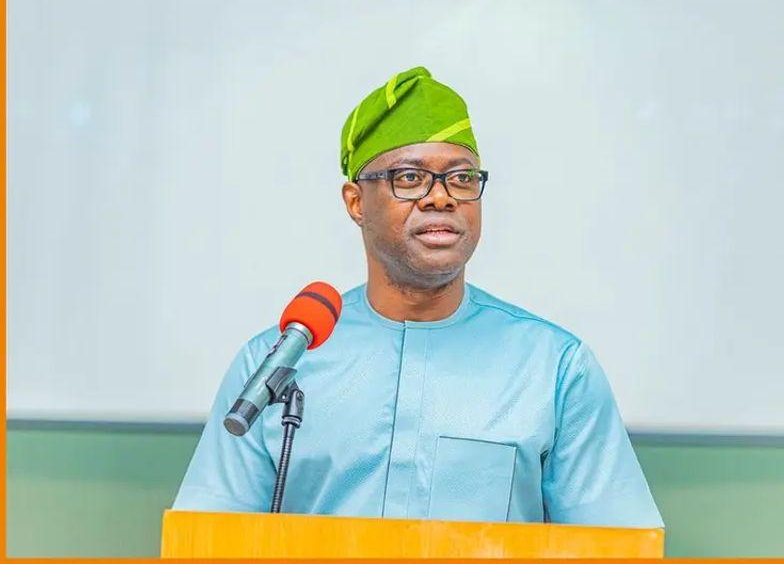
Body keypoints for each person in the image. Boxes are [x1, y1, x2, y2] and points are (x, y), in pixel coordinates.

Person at [172, 65, 664, 528]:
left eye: (462, 177)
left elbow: (618, 543)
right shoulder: (275, 362)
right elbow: (209, 535)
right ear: (356, 202)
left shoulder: (554, 367)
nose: (441, 196)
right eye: (409, 177)